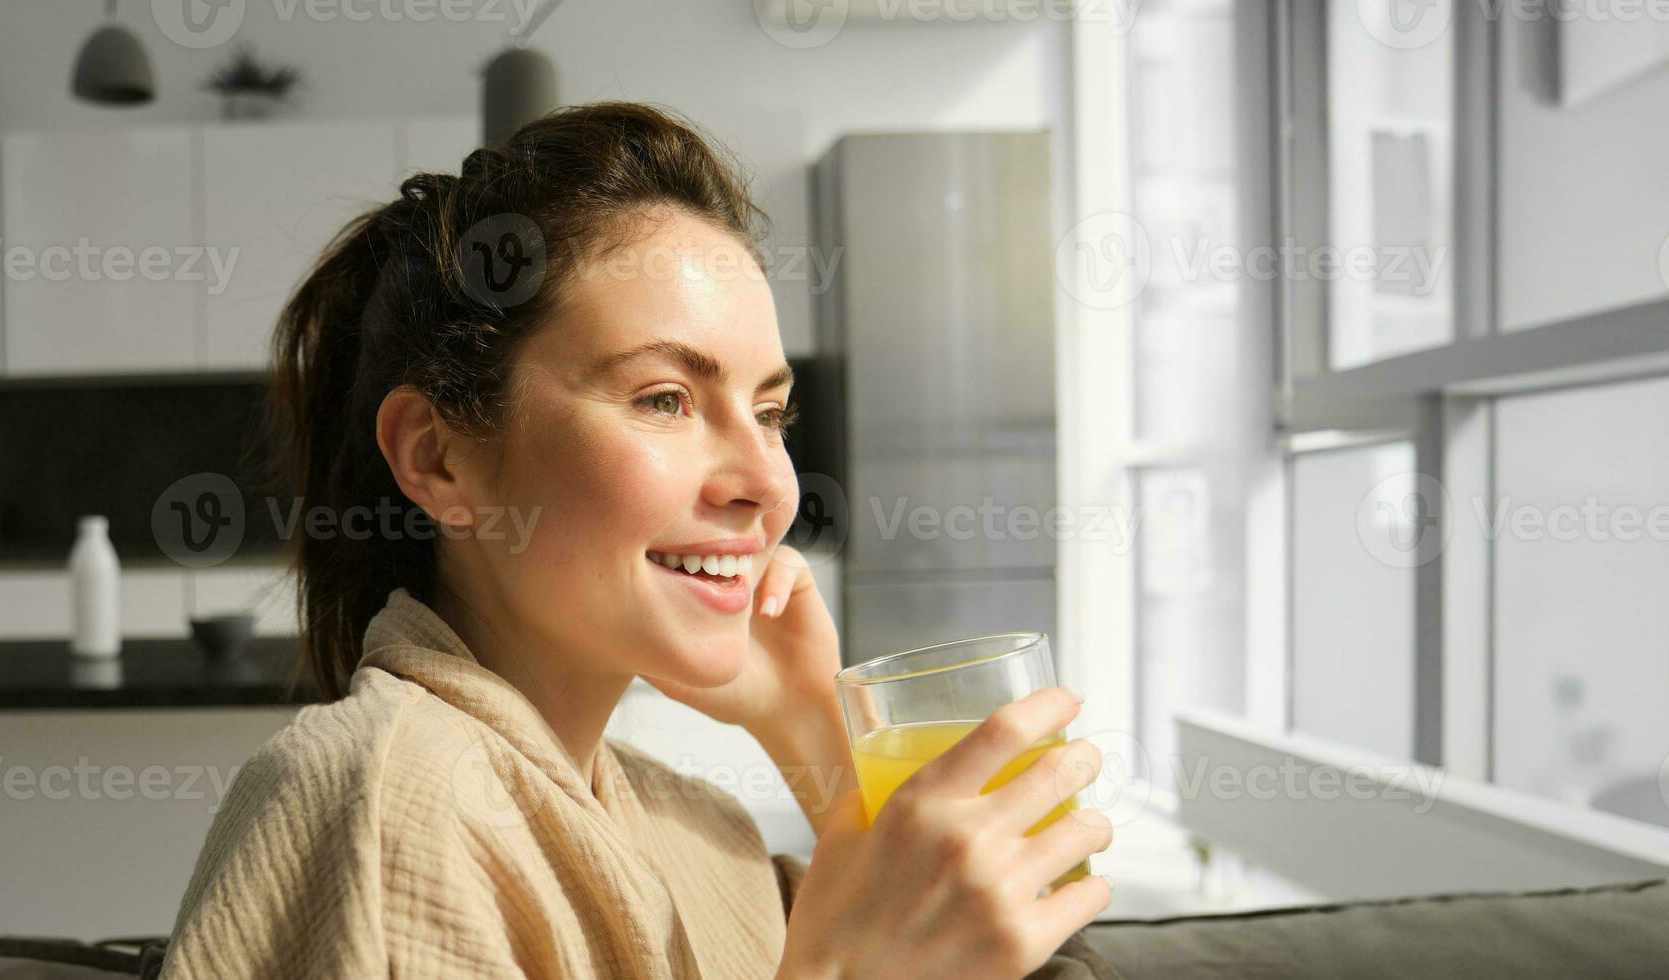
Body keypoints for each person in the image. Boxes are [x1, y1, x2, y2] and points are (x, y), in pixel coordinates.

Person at [159, 102, 1116, 979]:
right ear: (439, 458)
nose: (768, 485)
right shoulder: (384, 803)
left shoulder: (702, 834)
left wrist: (812, 731)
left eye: (772, 412)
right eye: (666, 398)